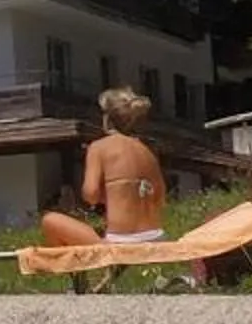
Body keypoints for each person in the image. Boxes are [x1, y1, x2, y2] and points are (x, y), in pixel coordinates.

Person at [41, 85, 168, 248]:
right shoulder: (147, 151)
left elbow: (90, 195)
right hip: (156, 236)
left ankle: (75, 268)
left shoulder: (99, 147)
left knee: (50, 220)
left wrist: (106, 194)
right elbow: (160, 198)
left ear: (106, 118)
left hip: (122, 241)